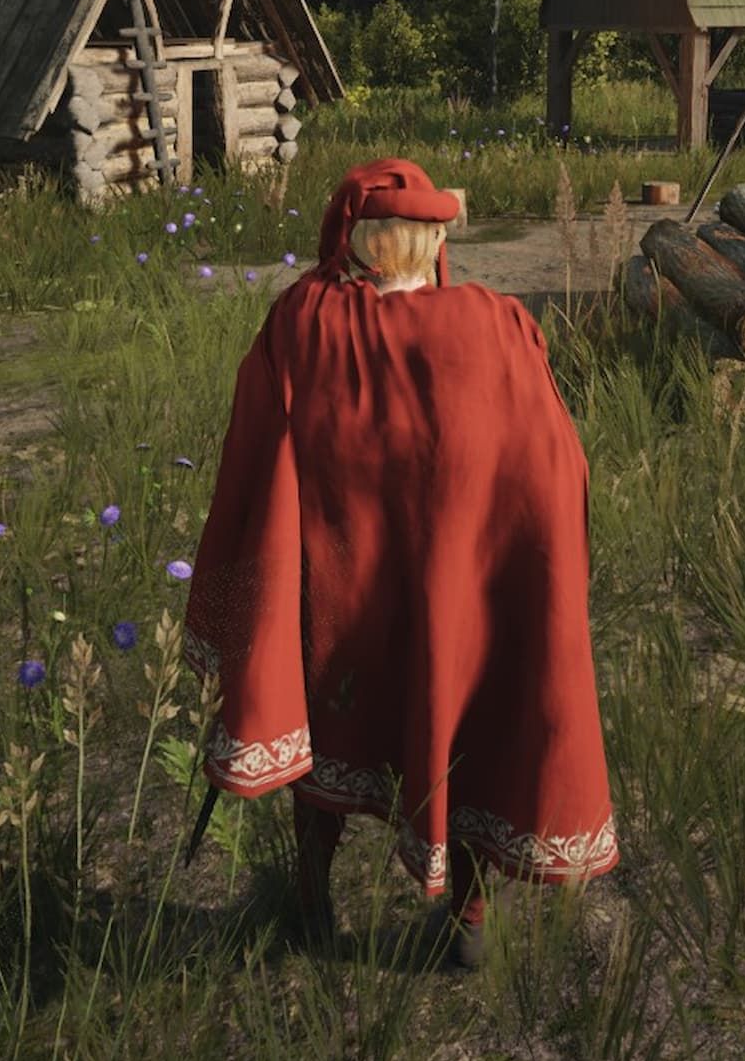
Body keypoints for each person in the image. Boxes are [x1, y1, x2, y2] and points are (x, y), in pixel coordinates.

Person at [183, 157, 617, 966]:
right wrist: (527, 568)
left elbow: (254, 449)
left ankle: (312, 899)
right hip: (460, 604)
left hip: (338, 601)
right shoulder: (495, 322)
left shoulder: (304, 319)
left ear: (356, 241)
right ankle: (468, 919)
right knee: (469, 730)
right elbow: (552, 459)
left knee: (327, 725)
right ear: (436, 237)